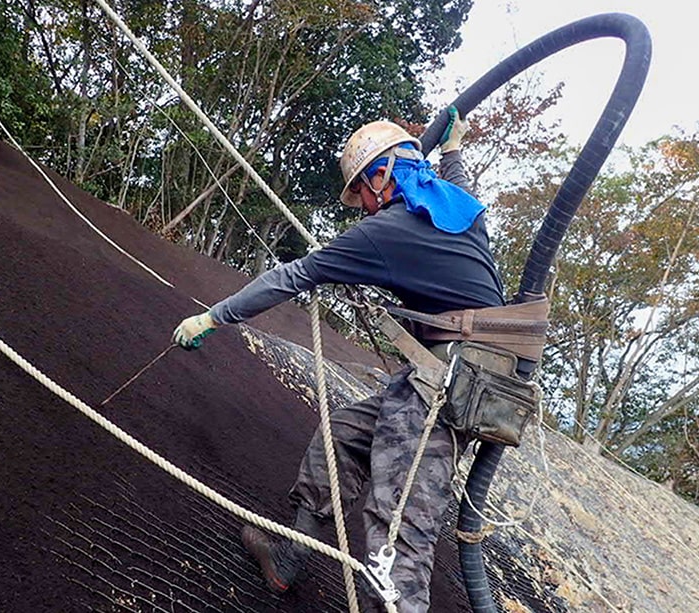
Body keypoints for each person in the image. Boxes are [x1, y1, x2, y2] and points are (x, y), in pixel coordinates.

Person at [171, 108, 504, 612]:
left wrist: (213, 317)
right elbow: (456, 182)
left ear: (383, 175)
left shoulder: (388, 230)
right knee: (341, 437)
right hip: (458, 375)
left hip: (449, 383)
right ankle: (288, 560)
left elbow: (291, 277)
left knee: (397, 532)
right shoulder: (462, 210)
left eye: (363, 194)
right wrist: (453, 148)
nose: (364, 208)